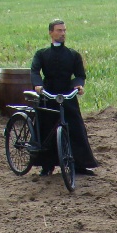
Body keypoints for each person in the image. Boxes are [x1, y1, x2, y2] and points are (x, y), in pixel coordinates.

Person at [30, 18, 99, 176]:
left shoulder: (73, 55)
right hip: (48, 95)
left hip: (67, 95)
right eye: (59, 30)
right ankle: (47, 165)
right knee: (45, 128)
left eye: (64, 30)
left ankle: (79, 164)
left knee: (75, 128)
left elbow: (80, 75)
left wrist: (78, 85)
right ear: (51, 33)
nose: (62, 34)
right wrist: (38, 85)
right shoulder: (42, 54)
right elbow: (35, 71)